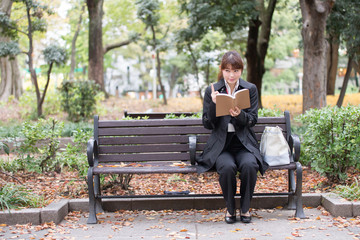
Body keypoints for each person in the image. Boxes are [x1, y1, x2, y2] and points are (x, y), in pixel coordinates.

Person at [196, 50, 268, 224]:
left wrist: (239, 115)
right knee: (227, 168)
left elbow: (252, 120)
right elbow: (207, 123)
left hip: (243, 144)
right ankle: (230, 209)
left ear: (241, 70)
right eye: (227, 70)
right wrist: (214, 105)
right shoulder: (212, 90)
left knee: (250, 165)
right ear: (222, 70)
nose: (231, 75)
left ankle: (245, 208)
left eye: (235, 70)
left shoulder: (250, 89)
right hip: (222, 145)